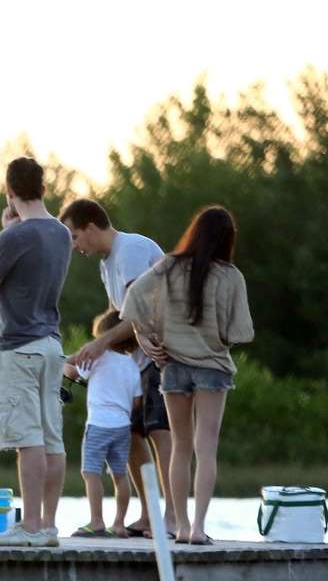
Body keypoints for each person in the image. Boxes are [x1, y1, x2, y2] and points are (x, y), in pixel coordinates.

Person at [121, 206, 253, 545]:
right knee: (206, 449)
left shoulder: (168, 266)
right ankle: (198, 528)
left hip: (173, 366)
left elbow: (133, 297)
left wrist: (145, 336)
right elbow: (240, 332)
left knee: (180, 447)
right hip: (212, 367)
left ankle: (179, 527)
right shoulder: (230, 276)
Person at [59, 197, 176, 538]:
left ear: (91, 227)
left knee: (159, 433)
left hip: (163, 354)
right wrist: (97, 355)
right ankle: (147, 513)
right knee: (131, 434)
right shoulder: (106, 264)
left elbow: (138, 314)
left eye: (75, 237)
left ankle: (171, 516)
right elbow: (117, 320)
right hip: (135, 361)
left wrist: (98, 345)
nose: (74, 246)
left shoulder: (132, 250)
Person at [0, 157, 73, 547]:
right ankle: (47, 524)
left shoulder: (13, 237)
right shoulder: (63, 233)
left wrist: (5, 232)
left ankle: (29, 526)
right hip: (52, 346)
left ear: (9, 192)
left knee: (27, 439)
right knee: (52, 438)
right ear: (44, 189)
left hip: (18, 347)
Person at [63, 311, 138, 537]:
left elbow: (71, 371)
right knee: (119, 474)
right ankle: (119, 524)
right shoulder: (133, 365)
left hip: (98, 425)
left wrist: (70, 358)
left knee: (91, 473)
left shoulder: (97, 358)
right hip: (123, 427)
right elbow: (137, 402)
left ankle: (96, 521)